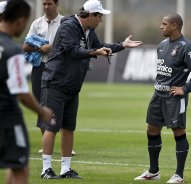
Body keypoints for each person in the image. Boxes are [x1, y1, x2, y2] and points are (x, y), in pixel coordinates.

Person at [39, 0, 143, 179]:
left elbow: (99, 46)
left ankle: (65, 169)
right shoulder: (69, 27)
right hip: (56, 83)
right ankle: (46, 169)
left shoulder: (89, 31)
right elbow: (73, 51)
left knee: (69, 128)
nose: (101, 20)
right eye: (99, 16)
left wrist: (122, 45)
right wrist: (95, 52)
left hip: (72, 86)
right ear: (90, 15)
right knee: (52, 126)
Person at [134, 13, 191, 183]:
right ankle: (153, 172)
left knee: (178, 132)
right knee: (151, 130)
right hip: (158, 95)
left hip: (174, 97)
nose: (161, 26)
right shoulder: (162, 45)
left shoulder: (186, 47)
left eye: (164, 23)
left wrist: (186, 88)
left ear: (174, 26)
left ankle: (179, 175)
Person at [0, 0, 53, 184]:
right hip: (8, 120)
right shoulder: (13, 51)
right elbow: (21, 92)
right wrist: (42, 111)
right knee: (20, 169)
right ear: (21, 21)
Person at [21, 0, 77, 156]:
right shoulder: (37, 23)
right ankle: (45, 141)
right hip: (40, 68)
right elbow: (25, 46)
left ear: (57, 4)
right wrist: (40, 47)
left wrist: (51, 46)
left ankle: (66, 146)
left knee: (64, 105)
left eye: (49, 4)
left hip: (60, 68)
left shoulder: (65, 22)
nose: (46, 7)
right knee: (40, 103)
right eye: (44, 4)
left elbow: (70, 43)